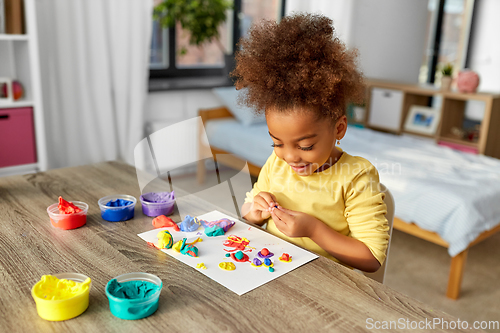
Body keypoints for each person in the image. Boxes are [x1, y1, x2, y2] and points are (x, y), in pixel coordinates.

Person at [235, 13, 389, 272]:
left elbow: (372, 258)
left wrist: (314, 230)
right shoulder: (277, 163)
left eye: (305, 146)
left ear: (338, 128)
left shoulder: (356, 176)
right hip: (269, 270)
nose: (290, 157)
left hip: (323, 284)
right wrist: (255, 210)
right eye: (277, 143)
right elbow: (248, 209)